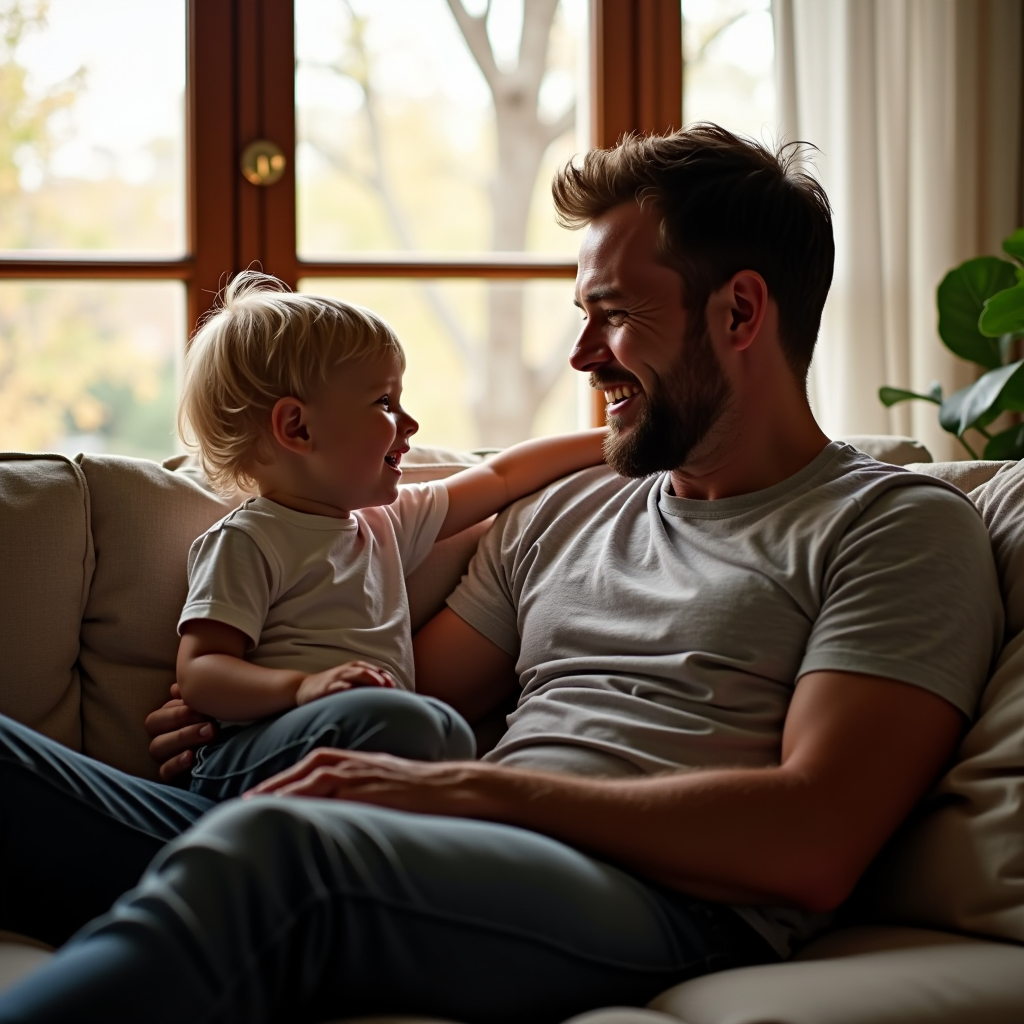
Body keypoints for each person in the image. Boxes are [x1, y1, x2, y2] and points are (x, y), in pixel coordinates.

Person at [0, 125, 1003, 1024]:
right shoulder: (568, 507)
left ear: (739, 312)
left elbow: (812, 841)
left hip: (657, 897)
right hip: (460, 848)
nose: (578, 355)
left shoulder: (892, 526)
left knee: (283, 857)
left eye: (610, 314)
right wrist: (249, 716)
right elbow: (401, 703)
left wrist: (483, 793)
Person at [169, 271, 606, 801]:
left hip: (370, 736)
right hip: (255, 751)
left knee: (440, 731)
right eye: (384, 402)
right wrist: (303, 688)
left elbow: (502, 477)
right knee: (401, 721)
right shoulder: (247, 540)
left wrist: (615, 438)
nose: (411, 422)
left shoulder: (386, 522)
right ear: (298, 428)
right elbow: (201, 673)